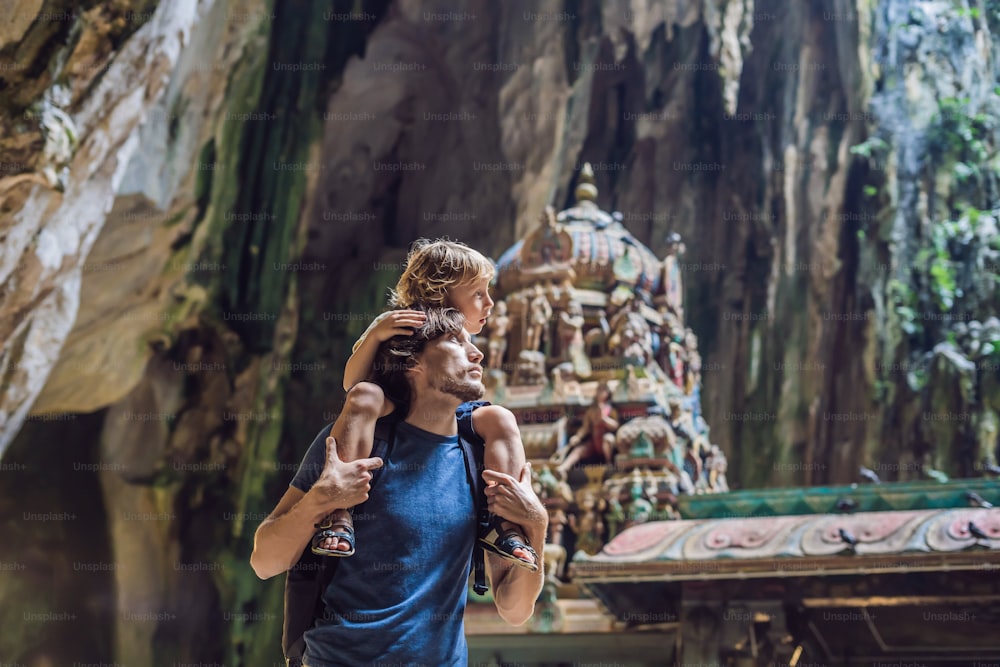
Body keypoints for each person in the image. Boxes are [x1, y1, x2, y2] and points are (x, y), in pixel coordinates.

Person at [251, 308, 546, 665]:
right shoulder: (353, 444)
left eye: (473, 341)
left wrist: (536, 524)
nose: (476, 352)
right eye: (455, 340)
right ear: (412, 364)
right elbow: (265, 561)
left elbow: (515, 611)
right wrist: (321, 499)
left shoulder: (481, 461)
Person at [312, 238, 537, 570]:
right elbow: (352, 384)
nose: (489, 303)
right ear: (441, 291)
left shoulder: (467, 339)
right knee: (365, 396)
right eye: (478, 293)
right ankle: (339, 509)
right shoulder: (406, 325)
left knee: (500, 418)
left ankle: (504, 521)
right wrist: (375, 333)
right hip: (399, 403)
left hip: (451, 413)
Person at [553, 382, 620, 476]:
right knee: (579, 450)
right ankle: (564, 467)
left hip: (606, 439)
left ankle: (608, 465)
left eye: (603, 391)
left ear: (608, 393)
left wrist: (604, 419)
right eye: (599, 391)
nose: (600, 393)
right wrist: (577, 437)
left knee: (608, 439)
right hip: (594, 441)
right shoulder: (591, 411)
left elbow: (615, 425)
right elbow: (585, 428)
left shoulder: (611, 410)